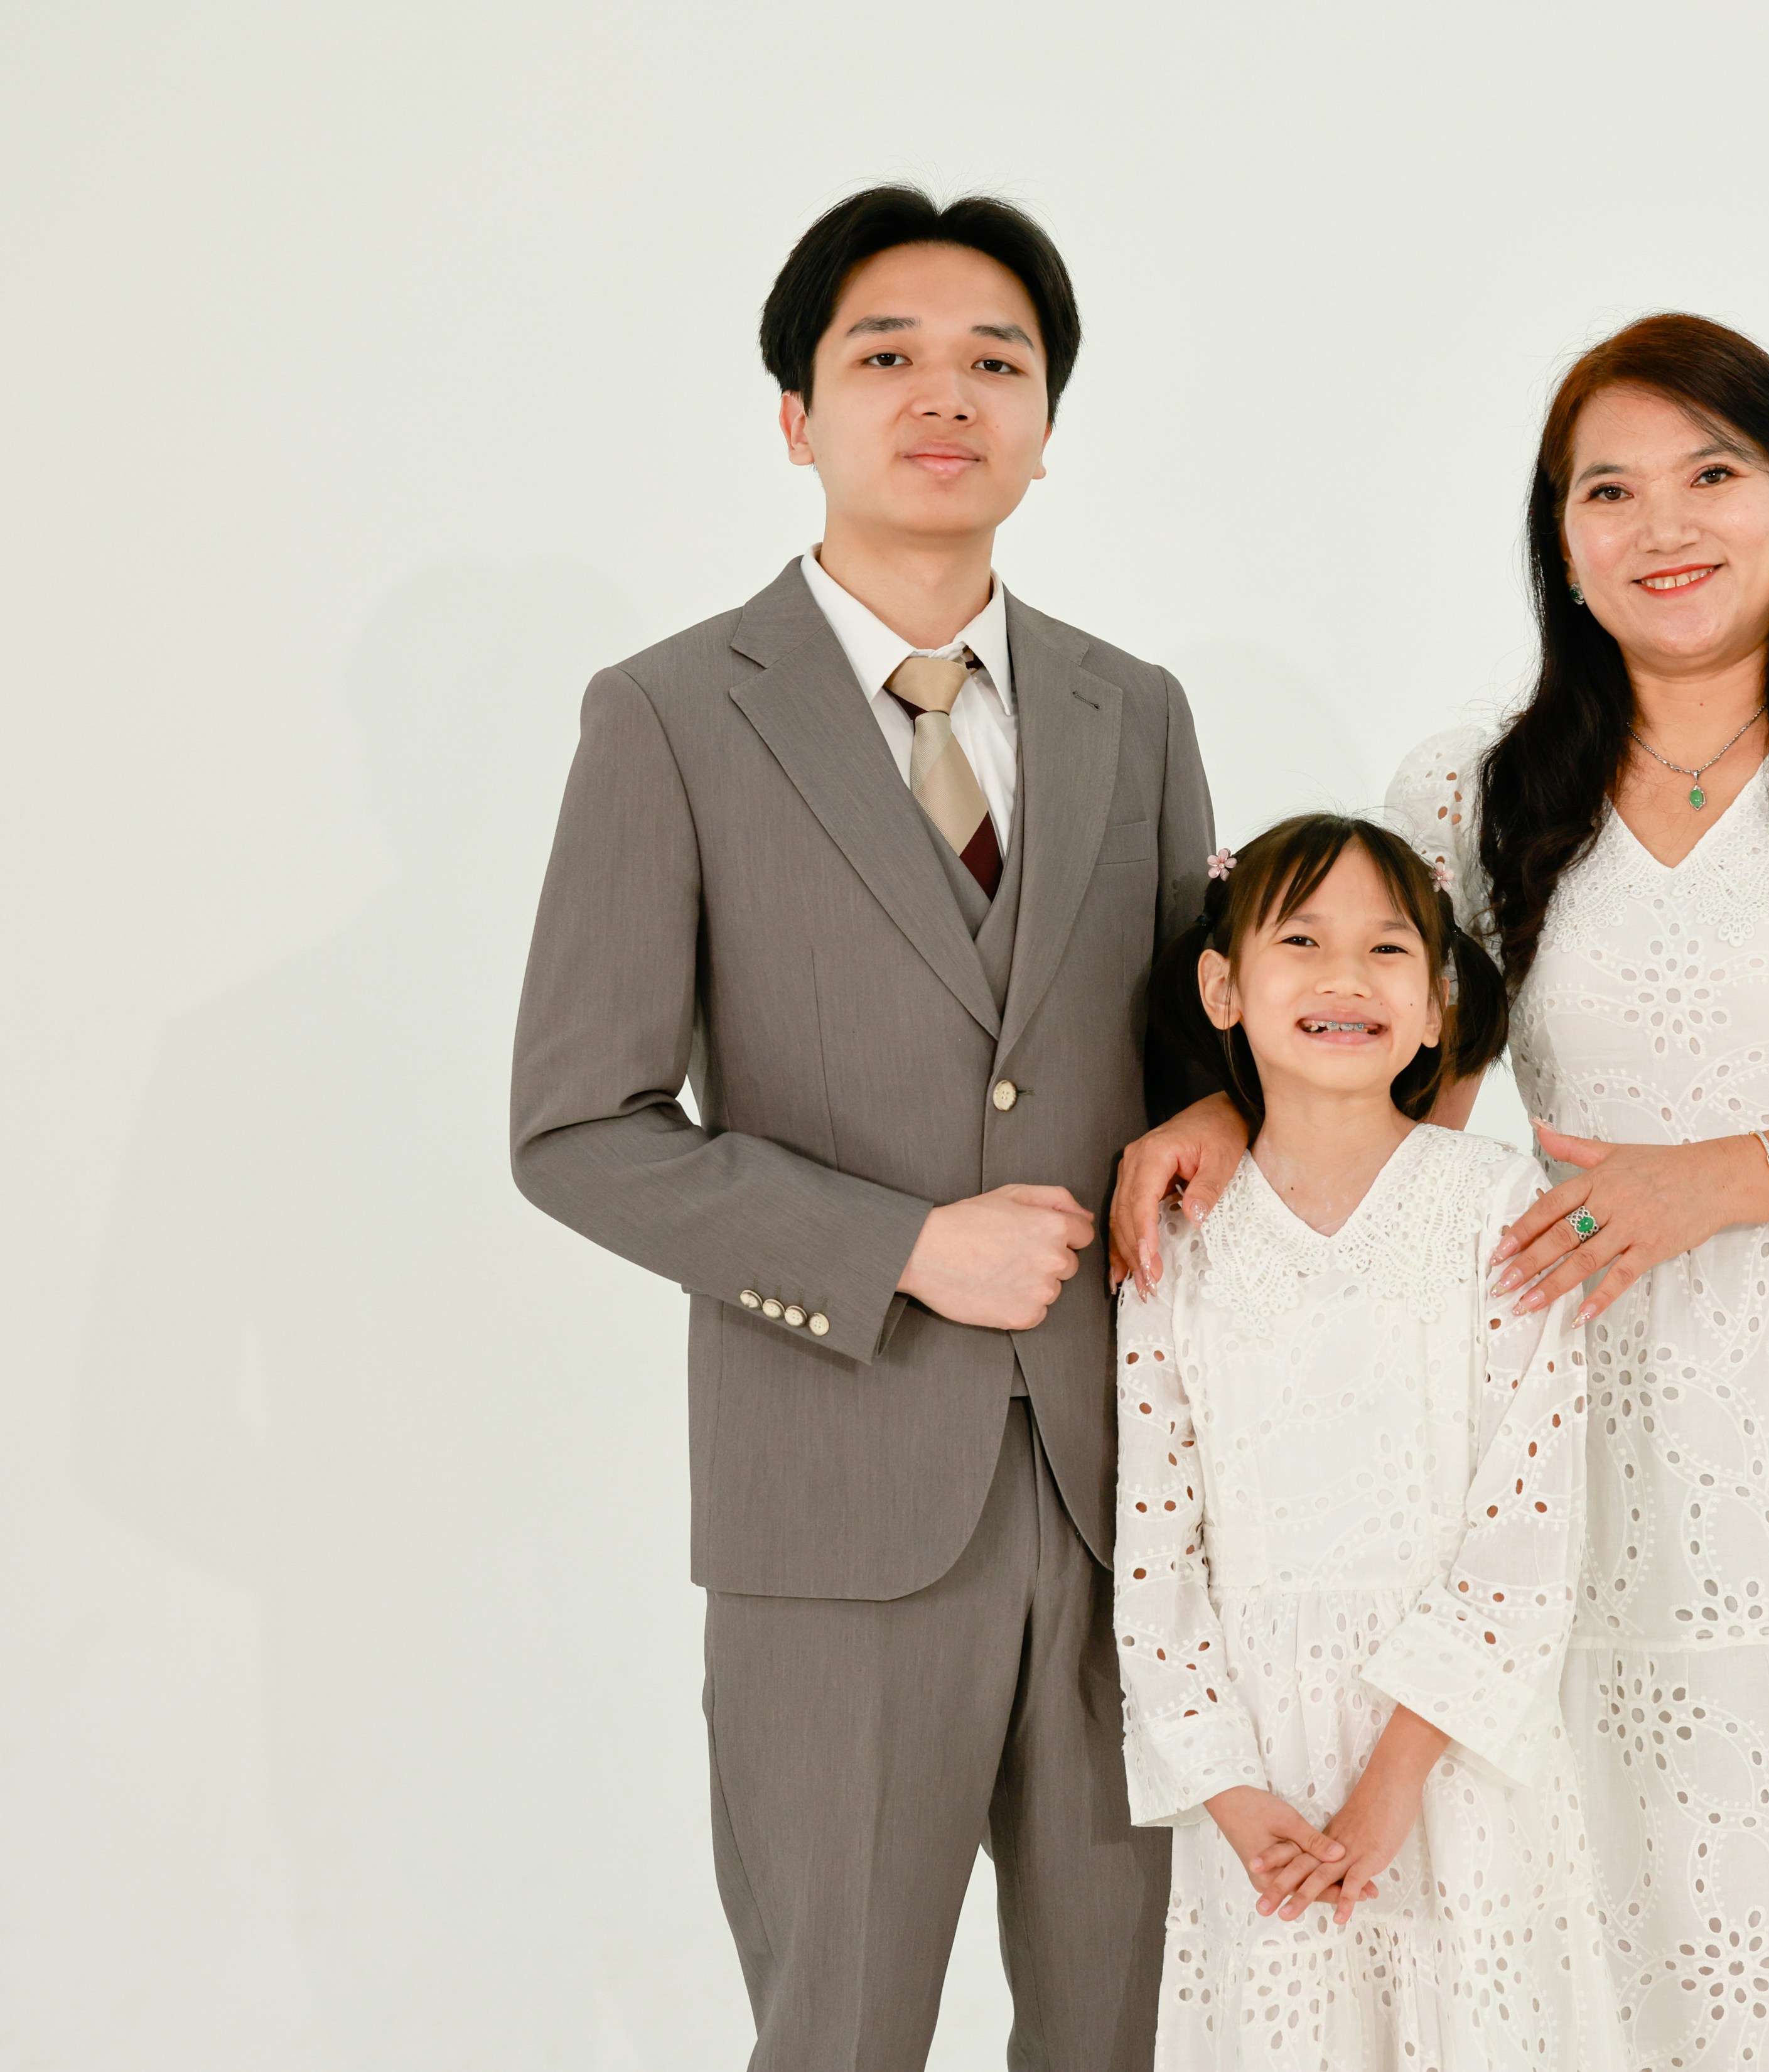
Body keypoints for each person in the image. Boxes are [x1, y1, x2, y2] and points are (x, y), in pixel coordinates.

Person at [1115, 314, 1769, 2066]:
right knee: (1612, 1921)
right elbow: (1386, 1071)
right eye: (1608, 490)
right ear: (1559, 539)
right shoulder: (1475, 791)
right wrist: (1216, 1119)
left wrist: (1713, 1184)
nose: (1665, 524)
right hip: (1561, 1454)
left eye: (1711, 475)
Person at [510, 185, 1234, 2070]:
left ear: (1048, 423)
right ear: (794, 413)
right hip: (829, 1506)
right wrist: (900, 1244)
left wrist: (1222, 1121)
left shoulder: (1132, 711)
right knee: (836, 2029)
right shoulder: (669, 714)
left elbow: (1193, 1051)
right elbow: (577, 1124)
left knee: (1123, 2030)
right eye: (884, 356)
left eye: (996, 361)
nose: (945, 395)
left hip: (1126, 1496)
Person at [1113, 814, 1624, 2071]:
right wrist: (1232, 1791)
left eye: (1387, 950)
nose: (1345, 976)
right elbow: (1151, 1549)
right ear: (1223, 987)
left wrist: (1397, 1776)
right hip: (1261, 1775)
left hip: (1453, 1763)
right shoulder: (1178, 1238)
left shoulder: (1493, 1206)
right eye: (1301, 941)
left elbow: (1527, 1518)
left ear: (1440, 1002)